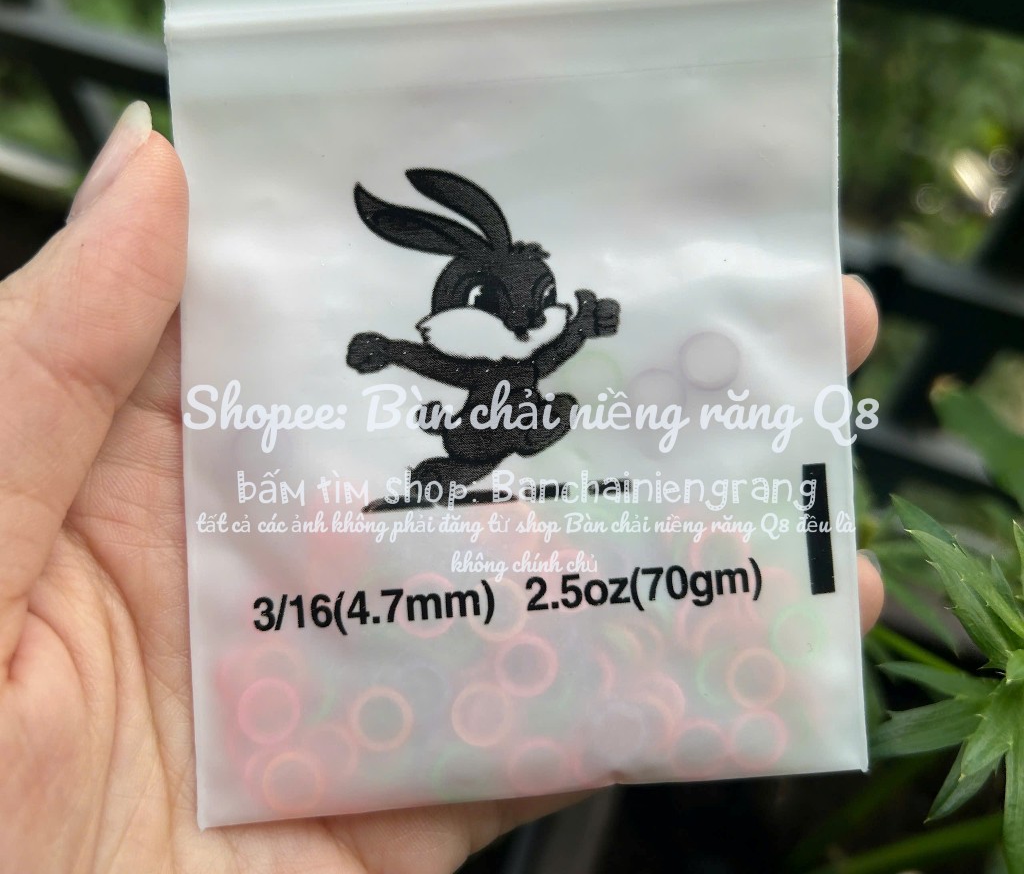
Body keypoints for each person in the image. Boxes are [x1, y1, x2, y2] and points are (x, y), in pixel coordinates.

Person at [0, 103, 884, 873]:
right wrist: (389, 350)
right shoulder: (469, 354)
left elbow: (553, 349)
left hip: (534, 446)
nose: (533, 314)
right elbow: (456, 363)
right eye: (517, 303)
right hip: (469, 457)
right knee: (447, 482)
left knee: (550, 478)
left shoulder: (535, 354)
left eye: (540, 300)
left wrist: (584, 326)